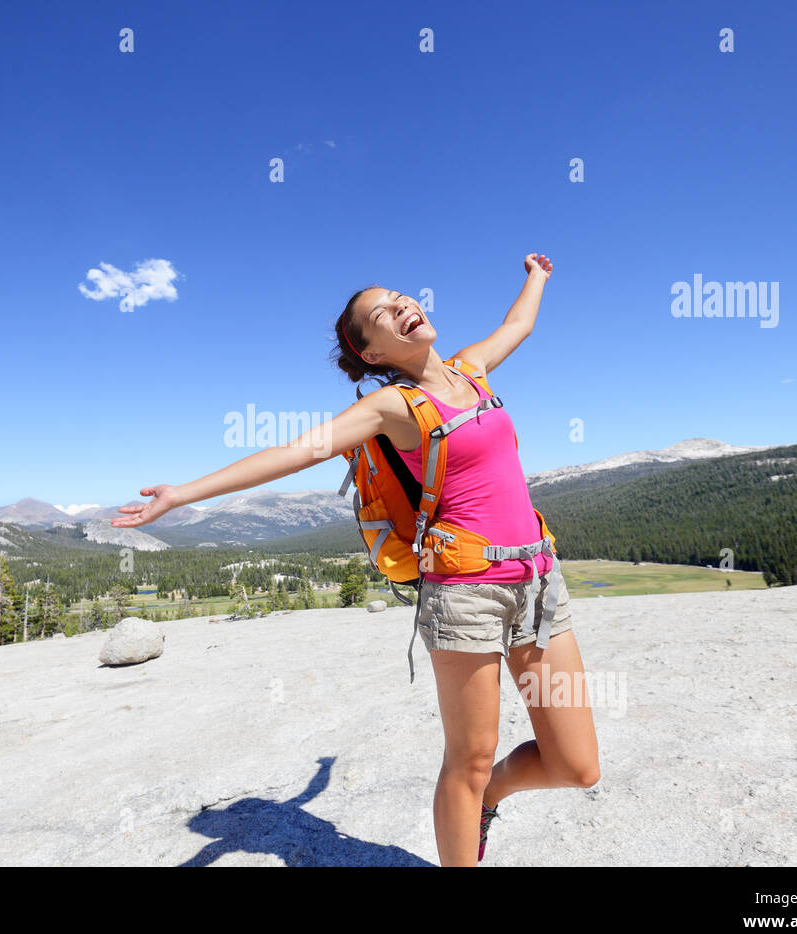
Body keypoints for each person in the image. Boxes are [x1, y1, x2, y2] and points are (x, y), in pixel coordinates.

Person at [111, 253, 600, 866]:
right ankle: (472, 808)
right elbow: (295, 453)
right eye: (380, 313)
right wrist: (182, 495)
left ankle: (489, 798)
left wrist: (538, 276)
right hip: (464, 593)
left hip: (537, 582)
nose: (400, 306)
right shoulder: (390, 408)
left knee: (575, 765)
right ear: (371, 353)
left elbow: (517, 327)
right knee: (470, 758)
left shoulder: (471, 371)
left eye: (399, 296)